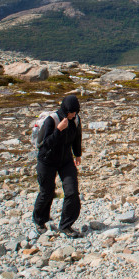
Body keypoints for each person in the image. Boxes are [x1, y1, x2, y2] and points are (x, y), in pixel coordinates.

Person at [32, 94, 83, 238]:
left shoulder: (76, 119)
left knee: (72, 191)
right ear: (65, 110)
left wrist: (77, 154)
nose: (74, 115)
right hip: (47, 161)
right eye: (72, 112)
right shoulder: (51, 120)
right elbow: (44, 144)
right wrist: (59, 130)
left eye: (76, 112)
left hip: (65, 160)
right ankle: (40, 221)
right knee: (47, 191)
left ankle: (66, 225)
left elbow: (77, 136)